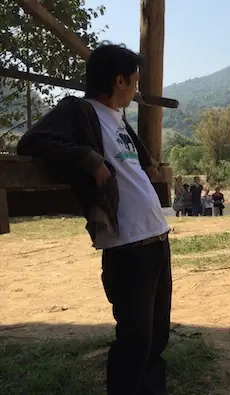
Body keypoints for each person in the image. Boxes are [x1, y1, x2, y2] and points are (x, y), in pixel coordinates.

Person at [16, 43, 172, 395]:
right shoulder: (79, 110)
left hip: (157, 239)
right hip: (128, 246)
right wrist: (88, 159)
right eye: (135, 81)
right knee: (134, 341)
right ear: (119, 81)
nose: (137, 89)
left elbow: (134, 164)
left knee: (157, 337)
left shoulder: (118, 118)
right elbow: (31, 141)